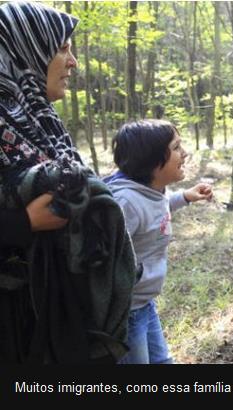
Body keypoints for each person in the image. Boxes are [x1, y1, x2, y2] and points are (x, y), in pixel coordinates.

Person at [1, 1, 136, 364]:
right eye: (62, 48)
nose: (73, 62)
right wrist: (22, 224)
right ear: (22, 50)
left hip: (54, 313)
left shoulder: (40, 121)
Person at [106, 120, 213, 364]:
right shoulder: (125, 203)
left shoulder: (151, 189)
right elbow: (103, 260)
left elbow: (155, 210)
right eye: (176, 148)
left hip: (143, 303)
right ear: (152, 160)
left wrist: (185, 197)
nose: (184, 154)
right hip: (125, 314)